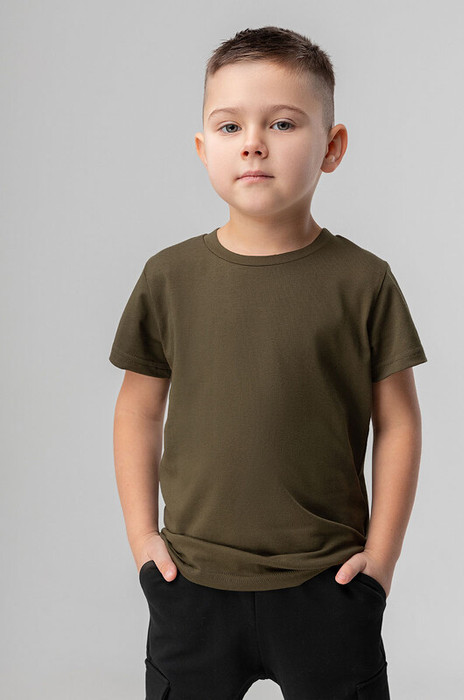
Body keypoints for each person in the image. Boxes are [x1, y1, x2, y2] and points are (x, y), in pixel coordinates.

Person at [109, 25, 427, 700]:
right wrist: (142, 541)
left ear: (331, 147)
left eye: (282, 123)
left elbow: (398, 423)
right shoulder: (169, 277)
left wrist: (380, 562)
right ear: (204, 148)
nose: (253, 142)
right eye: (230, 126)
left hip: (328, 586)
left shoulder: (363, 281)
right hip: (190, 585)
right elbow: (138, 410)